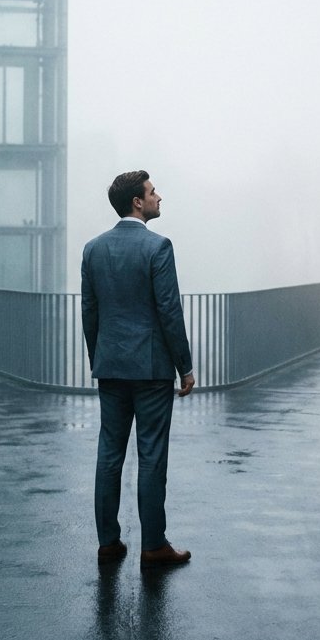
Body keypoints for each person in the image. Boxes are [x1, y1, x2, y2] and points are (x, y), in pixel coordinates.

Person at [81, 170, 195, 568]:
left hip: (110, 366)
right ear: (137, 202)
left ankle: (108, 542)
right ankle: (153, 545)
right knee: (151, 455)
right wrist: (185, 366)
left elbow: (90, 311)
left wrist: (100, 357)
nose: (158, 197)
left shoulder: (93, 249)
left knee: (109, 453)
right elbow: (169, 311)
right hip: (149, 370)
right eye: (152, 192)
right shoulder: (158, 247)